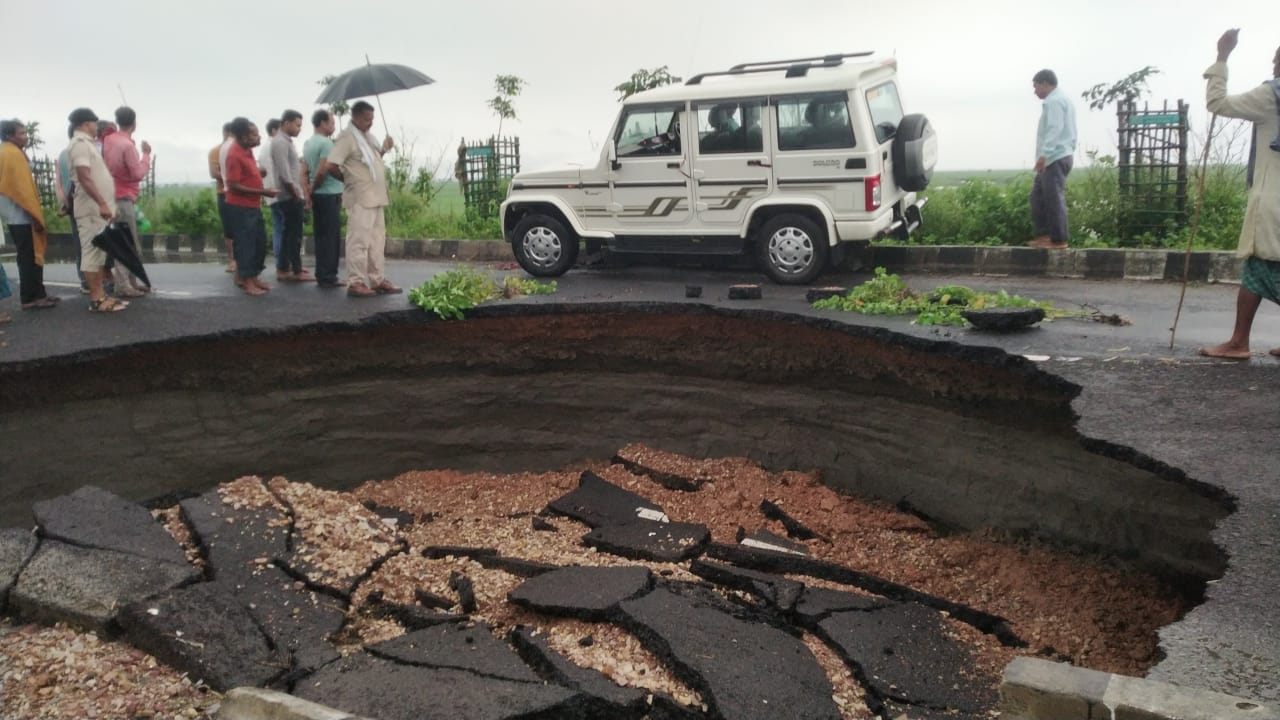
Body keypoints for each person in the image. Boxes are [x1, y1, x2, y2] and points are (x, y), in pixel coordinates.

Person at [1198, 29, 1280, 360]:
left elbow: (1217, 103)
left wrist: (1222, 57)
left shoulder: (1270, 97)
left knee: (1256, 269)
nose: (1273, 67)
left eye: (1276, 61)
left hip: (1272, 200)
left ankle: (1238, 342)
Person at [325, 101, 400, 297]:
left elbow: (371, 163)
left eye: (372, 119)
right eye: (367, 119)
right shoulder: (347, 138)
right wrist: (348, 179)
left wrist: (384, 148)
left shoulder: (368, 138)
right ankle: (356, 282)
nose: (370, 123)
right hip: (359, 197)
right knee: (358, 241)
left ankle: (377, 279)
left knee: (377, 241)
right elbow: (331, 165)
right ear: (356, 117)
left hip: (376, 197)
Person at [68, 107, 127, 313]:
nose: (96, 126)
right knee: (92, 252)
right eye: (94, 123)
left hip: (98, 209)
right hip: (91, 209)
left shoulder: (88, 144)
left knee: (100, 252)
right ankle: (96, 298)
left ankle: (102, 295)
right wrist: (102, 203)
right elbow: (84, 177)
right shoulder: (79, 145)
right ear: (85, 124)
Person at [0, 119, 56, 310]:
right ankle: (30, 297)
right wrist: (34, 216)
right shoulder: (11, 154)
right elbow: (21, 191)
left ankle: (38, 293)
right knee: (29, 258)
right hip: (21, 216)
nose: (26, 136)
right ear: (9, 136)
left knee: (30, 256)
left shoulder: (10, 152)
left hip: (16, 216)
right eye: (21, 133)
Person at [224, 117, 277, 296]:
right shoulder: (234, 154)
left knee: (259, 242)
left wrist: (257, 173)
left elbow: (247, 175)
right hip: (241, 207)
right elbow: (233, 185)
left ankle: (253, 276)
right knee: (246, 245)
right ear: (245, 137)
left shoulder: (247, 151)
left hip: (252, 206)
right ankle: (247, 281)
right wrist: (262, 192)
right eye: (254, 134)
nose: (258, 136)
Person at [102, 105, 151, 296]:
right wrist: (146, 154)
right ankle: (123, 286)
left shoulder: (108, 140)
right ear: (134, 123)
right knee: (127, 243)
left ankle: (130, 282)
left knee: (124, 240)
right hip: (123, 198)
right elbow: (138, 173)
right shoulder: (128, 146)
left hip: (110, 195)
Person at [1026, 69, 1077, 250]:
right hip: (1058, 155)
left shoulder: (1054, 101)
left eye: (1036, 86)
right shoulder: (1063, 100)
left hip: (1054, 157)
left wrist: (1044, 155)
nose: (1035, 91)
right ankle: (1045, 236)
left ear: (1045, 83)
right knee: (1038, 196)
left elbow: (1054, 129)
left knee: (1053, 198)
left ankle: (1058, 239)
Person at [301, 108, 344, 287]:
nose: (333, 126)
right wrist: (313, 188)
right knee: (331, 236)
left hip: (318, 195)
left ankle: (322, 273)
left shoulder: (308, 143)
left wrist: (308, 192)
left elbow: (303, 171)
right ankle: (329, 276)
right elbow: (322, 170)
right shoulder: (326, 144)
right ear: (323, 123)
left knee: (320, 235)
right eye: (332, 123)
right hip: (328, 194)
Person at [269, 110, 313, 282]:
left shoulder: (286, 142)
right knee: (292, 234)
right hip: (289, 195)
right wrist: (295, 193)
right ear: (286, 122)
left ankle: (293, 267)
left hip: (292, 194)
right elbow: (284, 173)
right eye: (297, 125)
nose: (299, 129)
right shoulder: (280, 142)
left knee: (293, 233)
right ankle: (288, 269)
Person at [210, 122, 236, 274]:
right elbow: (214, 173)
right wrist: (231, 178)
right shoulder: (215, 151)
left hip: (239, 193)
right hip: (223, 192)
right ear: (226, 133)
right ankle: (232, 260)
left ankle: (241, 259)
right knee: (228, 229)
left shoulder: (239, 150)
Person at [259, 118, 283, 261]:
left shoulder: (264, 148)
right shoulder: (274, 145)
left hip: (270, 192)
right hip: (279, 192)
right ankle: (283, 262)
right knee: (283, 228)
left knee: (278, 226)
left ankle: (280, 260)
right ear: (274, 130)